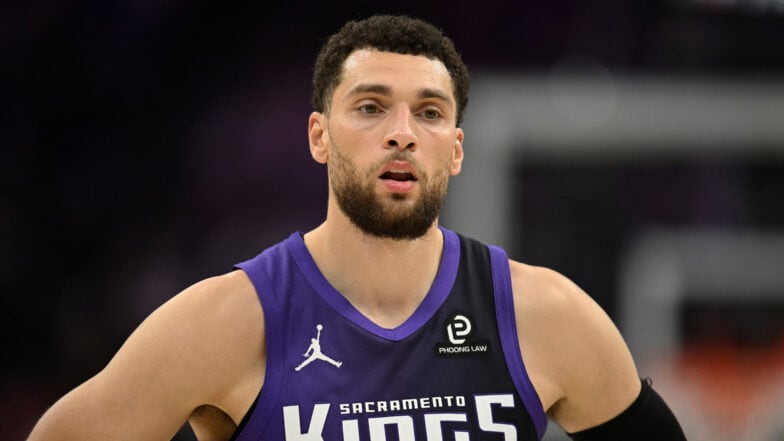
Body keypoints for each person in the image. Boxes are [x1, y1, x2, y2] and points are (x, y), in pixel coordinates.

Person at [27, 15, 687, 441]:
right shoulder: (228, 321)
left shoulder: (545, 314)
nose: (402, 132)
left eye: (429, 112)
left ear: (456, 149)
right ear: (319, 136)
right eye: (371, 107)